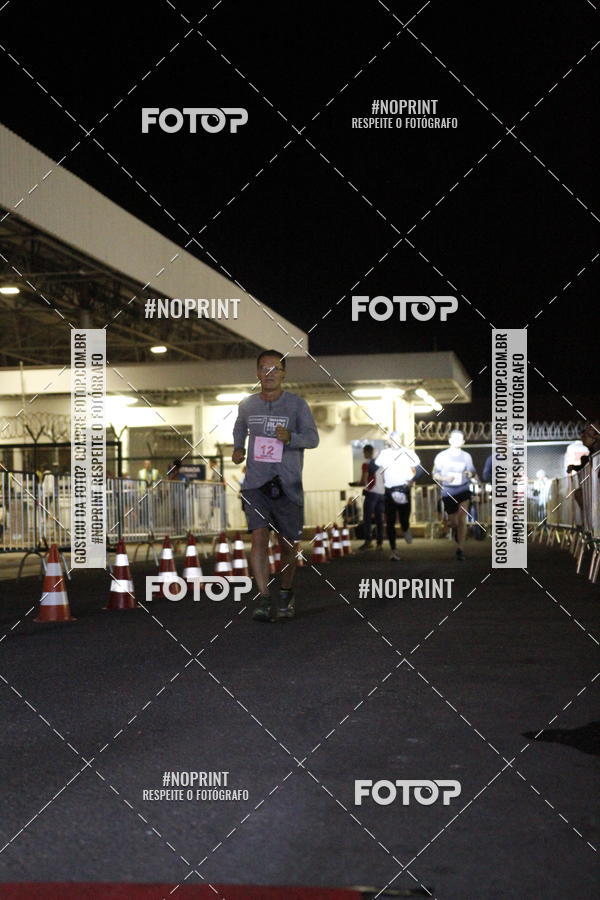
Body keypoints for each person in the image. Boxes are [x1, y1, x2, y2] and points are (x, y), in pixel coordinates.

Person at [232, 350, 319, 622]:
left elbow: (313, 439)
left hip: (287, 483)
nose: (269, 374)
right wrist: (237, 448)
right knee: (258, 536)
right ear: (257, 373)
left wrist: (291, 437)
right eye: (264, 369)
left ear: (283, 373)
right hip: (256, 483)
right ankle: (263, 596)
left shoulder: (297, 405)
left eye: (275, 369)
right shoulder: (247, 405)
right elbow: (239, 428)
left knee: (287, 544)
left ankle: (285, 591)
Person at [372, 432, 420, 561]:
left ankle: (405, 529)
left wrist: (412, 479)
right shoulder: (385, 453)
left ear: (401, 440)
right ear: (390, 441)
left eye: (398, 440)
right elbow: (376, 466)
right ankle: (393, 550)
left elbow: (419, 468)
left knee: (404, 518)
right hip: (389, 490)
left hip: (403, 488)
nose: (395, 442)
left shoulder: (408, 452)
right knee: (390, 521)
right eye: (393, 440)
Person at [433, 430, 476, 561]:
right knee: (454, 522)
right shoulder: (441, 456)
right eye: (455, 438)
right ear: (450, 440)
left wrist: (470, 474)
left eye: (460, 439)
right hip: (448, 491)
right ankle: (455, 530)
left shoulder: (466, 456)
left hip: (463, 490)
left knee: (462, 519)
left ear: (463, 442)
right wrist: (445, 478)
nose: (458, 441)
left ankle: (460, 549)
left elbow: (472, 471)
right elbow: (434, 474)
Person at [350, 445, 385, 551]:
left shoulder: (366, 464)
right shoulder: (381, 464)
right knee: (379, 519)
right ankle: (379, 544)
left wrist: (355, 484)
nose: (363, 454)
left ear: (367, 452)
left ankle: (368, 541)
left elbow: (364, 481)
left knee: (367, 519)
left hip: (371, 493)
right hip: (381, 493)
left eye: (364, 452)